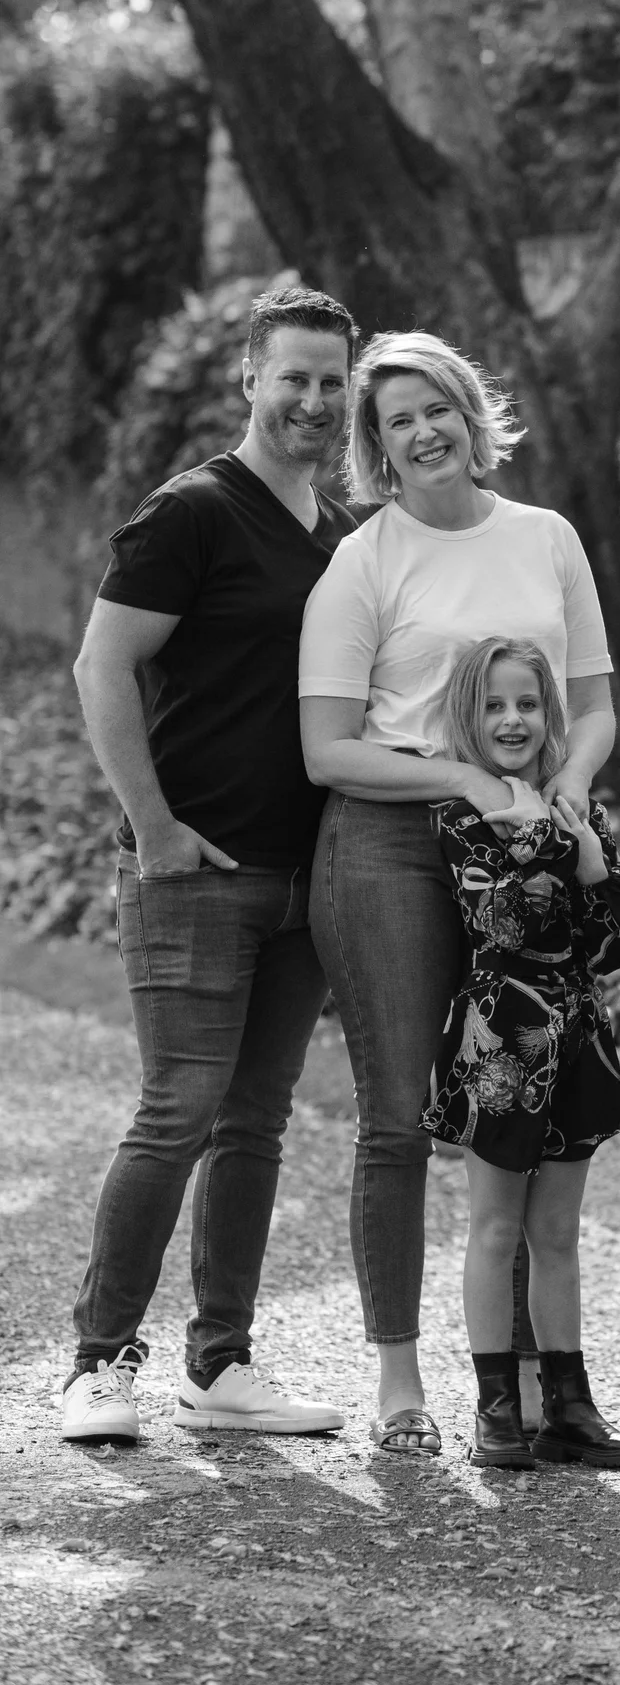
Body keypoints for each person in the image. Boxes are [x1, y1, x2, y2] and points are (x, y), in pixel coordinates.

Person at [299, 331, 617, 1456]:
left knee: (526, 1104)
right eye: (398, 421)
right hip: (391, 842)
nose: (424, 431)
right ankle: (400, 1383)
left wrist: (566, 789)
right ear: (376, 447)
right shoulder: (364, 561)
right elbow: (328, 748)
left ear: (470, 413)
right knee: (398, 1114)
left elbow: (592, 706)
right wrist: (466, 779)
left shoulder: (547, 537)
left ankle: (527, 1393)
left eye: (438, 407)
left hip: (528, 840)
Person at [61, 283, 359, 1446]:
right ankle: (97, 1363)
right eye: (293, 377)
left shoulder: (341, 533)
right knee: (178, 1110)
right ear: (249, 379)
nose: (313, 400)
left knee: (255, 1122)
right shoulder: (191, 511)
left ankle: (220, 1362)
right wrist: (154, 825)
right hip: (197, 872)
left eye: (332, 381)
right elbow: (101, 666)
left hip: (304, 877)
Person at [419, 635, 620, 1469]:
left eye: (527, 704)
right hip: (502, 1044)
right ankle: (495, 1411)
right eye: (494, 705)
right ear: (468, 717)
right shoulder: (460, 815)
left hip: (578, 1038)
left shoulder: (577, 806)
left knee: (556, 1231)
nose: (512, 720)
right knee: (494, 1227)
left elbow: (613, 937)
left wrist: (586, 856)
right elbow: (505, 923)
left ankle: (569, 1409)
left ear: (550, 715)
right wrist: (552, 848)